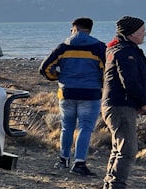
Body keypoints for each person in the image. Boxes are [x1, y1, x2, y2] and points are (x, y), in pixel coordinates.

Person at [39, 17, 106, 176]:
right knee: (85, 128)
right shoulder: (99, 47)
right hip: (90, 93)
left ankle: (63, 159)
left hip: (67, 93)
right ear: (89, 29)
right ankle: (79, 163)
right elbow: (107, 71)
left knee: (67, 127)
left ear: (75, 28)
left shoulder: (63, 47)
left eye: (71, 29)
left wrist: (58, 78)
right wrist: (100, 82)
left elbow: (45, 68)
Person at [100, 16, 146, 189]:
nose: (145, 33)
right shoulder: (124, 52)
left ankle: (110, 188)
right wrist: (144, 101)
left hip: (117, 105)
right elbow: (129, 81)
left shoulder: (119, 49)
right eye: (142, 30)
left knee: (118, 148)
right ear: (131, 33)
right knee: (127, 149)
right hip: (120, 105)